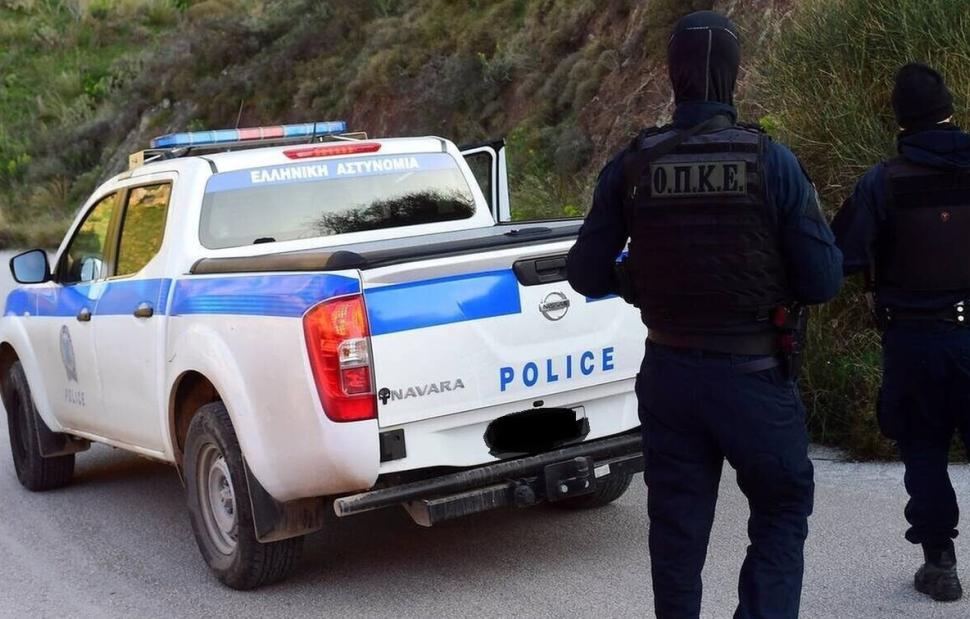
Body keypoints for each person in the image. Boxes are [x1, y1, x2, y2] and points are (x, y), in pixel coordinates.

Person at [566, 10, 843, 618]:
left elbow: (584, 272)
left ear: (672, 75)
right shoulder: (771, 162)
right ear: (735, 75)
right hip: (754, 378)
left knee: (677, 531)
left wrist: (636, 283)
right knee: (780, 511)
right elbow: (823, 281)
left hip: (669, 373)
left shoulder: (634, 164)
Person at [831, 63, 970, 603]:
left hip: (913, 342)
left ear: (901, 121)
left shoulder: (882, 182)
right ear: (950, 111)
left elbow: (840, 258)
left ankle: (940, 564)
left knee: (924, 449)